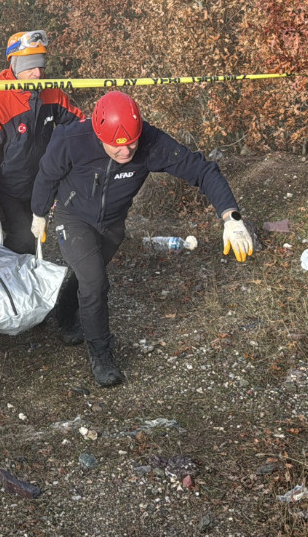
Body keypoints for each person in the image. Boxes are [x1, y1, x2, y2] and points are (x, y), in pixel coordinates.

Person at [31, 91, 254, 387]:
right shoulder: (71, 139)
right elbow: (47, 175)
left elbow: (202, 170)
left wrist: (231, 216)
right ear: (99, 135)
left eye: (131, 143)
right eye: (116, 146)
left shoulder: (151, 142)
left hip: (112, 222)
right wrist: (39, 212)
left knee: (90, 274)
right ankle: (101, 354)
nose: (125, 152)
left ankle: (65, 309)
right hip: (73, 216)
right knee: (95, 281)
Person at [0, 29, 84, 255]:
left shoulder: (51, 93)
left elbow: (80, 125)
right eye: (30, 67)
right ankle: (12, 273)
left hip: (41, 183)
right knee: (22, 239)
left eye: (41, 66)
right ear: (14, 66)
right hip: (8, 188)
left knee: (35, 238)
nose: (37, 73)